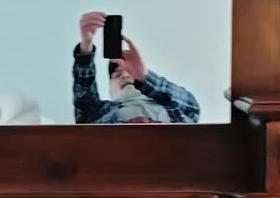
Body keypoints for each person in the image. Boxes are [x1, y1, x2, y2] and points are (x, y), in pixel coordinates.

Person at [72, 11, 200, 125]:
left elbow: (191, 108)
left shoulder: (174, 108)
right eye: (117, 75)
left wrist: (145, 77)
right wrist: (85, 48)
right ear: (110, 90)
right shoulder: (100, 113)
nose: (125, 76)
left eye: (130, 72)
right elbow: (84, 105)